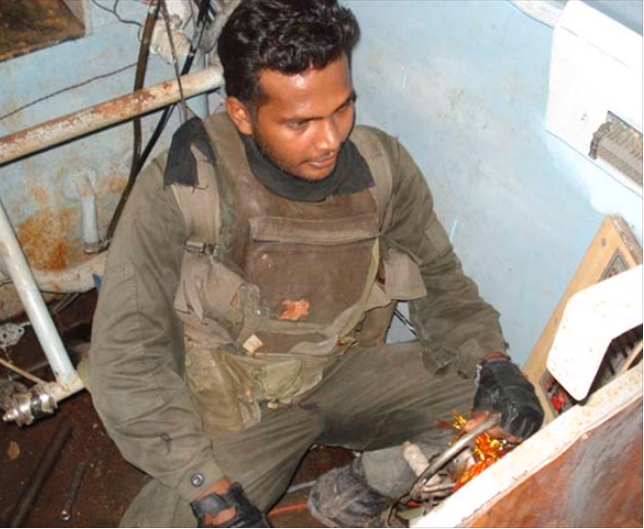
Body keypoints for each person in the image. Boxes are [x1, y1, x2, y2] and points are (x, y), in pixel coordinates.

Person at [90, 0, 544, 527]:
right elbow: (131, 351)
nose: (330, 140)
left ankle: (366, 486)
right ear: (242, 114)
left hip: (344, 372)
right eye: (300, 123)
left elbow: (442, 280)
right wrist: (208, 490)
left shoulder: (382, 167)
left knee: (509, 418)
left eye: (342, 108)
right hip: (239, 406)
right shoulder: (185, 186)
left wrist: (492, 360)